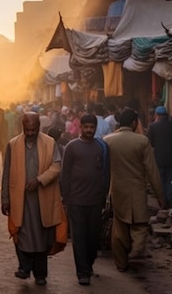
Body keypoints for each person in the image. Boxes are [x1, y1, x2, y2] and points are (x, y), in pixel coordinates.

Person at [1, 112, 62, 286]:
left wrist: (39, 180)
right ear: (22, 127)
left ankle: (40, 274)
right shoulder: (13, 145)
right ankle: (24, 267)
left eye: (33, 130)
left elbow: (56, 167)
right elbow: (6, 174)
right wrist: (5, 199)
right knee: (20, 232)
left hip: (42, 199)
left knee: (42, 238)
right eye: (26, 130)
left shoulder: (50, 143)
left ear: (38, 127)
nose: (29, 133)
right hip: (20, 200)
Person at [103, 109, 164, 272]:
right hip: (137, 190)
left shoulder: (107, 140)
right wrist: (160, 195)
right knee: (140, 224)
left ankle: (121, 263)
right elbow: (152, 171)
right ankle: (136, 251)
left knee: (119, 228)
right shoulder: (142, 141)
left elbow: (102, 169)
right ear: (134, 123)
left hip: (116, 190)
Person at [60, 114, 110, 286]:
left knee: (93, 237)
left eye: (92, 127)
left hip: (95, 200)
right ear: (80, 127)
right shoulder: (71, 147)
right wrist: (65, 198)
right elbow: (64, 174)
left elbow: (106, 173)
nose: (89, 130)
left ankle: (89, 264)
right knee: (79, 237)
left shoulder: (101, 147)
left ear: (96, 128)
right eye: (86, 127)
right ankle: (82, 272)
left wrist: (104, 197)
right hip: (76, 200)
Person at [147, 106, 172, 209]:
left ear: (157, 115)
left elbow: (149, 142)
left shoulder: (153, 127)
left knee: (160, 180)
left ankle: (163, 203)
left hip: (158, 158)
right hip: (171, 158)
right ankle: (170, 201)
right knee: (170, 179)